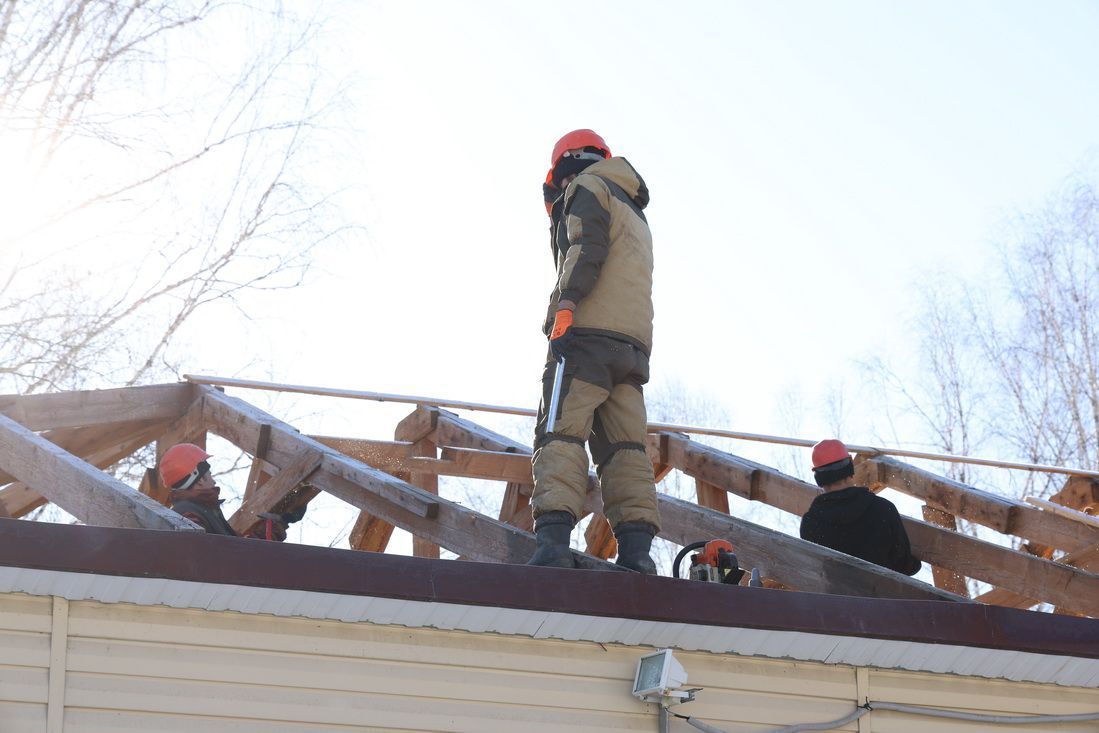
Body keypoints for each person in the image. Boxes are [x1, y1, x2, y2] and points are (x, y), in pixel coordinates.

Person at [528, 129, 660, 574]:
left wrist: (566, 304)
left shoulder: (588, 188)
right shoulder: (633, 208)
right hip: (631, 347)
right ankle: (638, 554)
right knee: (625, 448)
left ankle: (551, 545)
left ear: (563, 170)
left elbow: (585, 245)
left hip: (584, 335)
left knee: (560, 431)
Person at [800, 439, 921, 575]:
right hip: (880, 593)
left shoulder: (811, 523)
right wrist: (916, 564)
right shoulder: (883, 509)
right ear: (850, 465)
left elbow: (811, 569)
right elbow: (902, 564)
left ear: (818, 476)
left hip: (834, 595)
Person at [159, 442, 295, 540]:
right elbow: (221, 559)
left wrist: (268, 531)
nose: (214, 481)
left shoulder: (204, 511)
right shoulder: (189, 516)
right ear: (199, 480)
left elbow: (235, 548)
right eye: (210, 474)